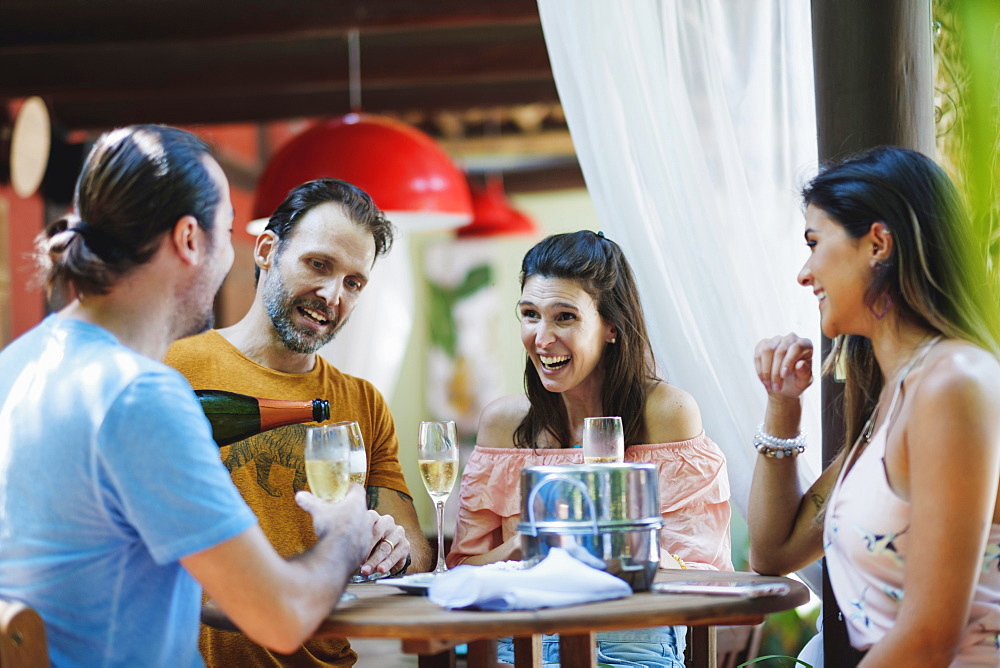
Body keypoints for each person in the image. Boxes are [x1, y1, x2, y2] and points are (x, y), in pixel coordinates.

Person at [0, 125, 378, 666]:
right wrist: (346, 532)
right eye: (226, 232)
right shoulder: (139, 396)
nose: (230, 256)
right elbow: (283, 615)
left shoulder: (17, 363)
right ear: (189, 239)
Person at [749, 146, 1000, 666]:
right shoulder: (899, 398)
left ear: (878, 244)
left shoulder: (953, 384)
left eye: (815, 243)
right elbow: (773, 554)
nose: (804, 273)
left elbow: (930, 637)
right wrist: (782, 405)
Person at [165, 177, 431, 666]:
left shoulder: (362, 401)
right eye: (319, 264)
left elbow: (416, 548)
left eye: (354, 282)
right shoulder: (172, 370)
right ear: (267, 249)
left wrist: (394, 547)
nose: (332, 296)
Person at [447, 230, 733, 667]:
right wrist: (526, 546)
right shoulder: (503, 424)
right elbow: (463, 571)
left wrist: (612, 543)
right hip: (514, 645)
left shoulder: (668, 414)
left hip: (632, 646)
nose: (541, 339)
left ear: (611, 326)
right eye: (530, 314)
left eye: (564, 317)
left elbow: (705, 575)